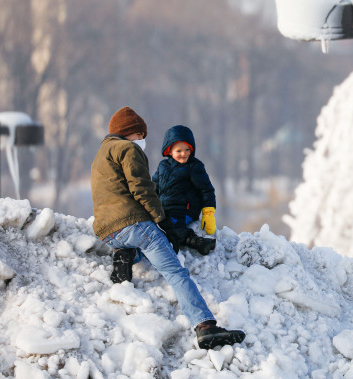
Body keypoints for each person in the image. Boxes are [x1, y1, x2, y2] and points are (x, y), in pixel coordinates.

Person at [90, 106, 244, 350]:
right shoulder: (128, 149)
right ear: (133, 132)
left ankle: (128, 254)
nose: (143, 141)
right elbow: (143, 189)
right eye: (142, 136)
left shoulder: (102, 153)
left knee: (142, 245)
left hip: (108, 231)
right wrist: (162, 223)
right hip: (134, 223)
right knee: (175, 271)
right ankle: (205, 326)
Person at [151, 125, 216, 255]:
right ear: (169, 151)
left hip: (184, 209)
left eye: (187, 150)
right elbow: (154, 187)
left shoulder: (194, 166)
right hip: (165, 209)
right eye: (179, 151)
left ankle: (197, 242)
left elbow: (206, 190)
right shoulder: (162, 166)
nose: (184, 154)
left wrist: (208, 212)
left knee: (170, 227)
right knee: (154, 226)